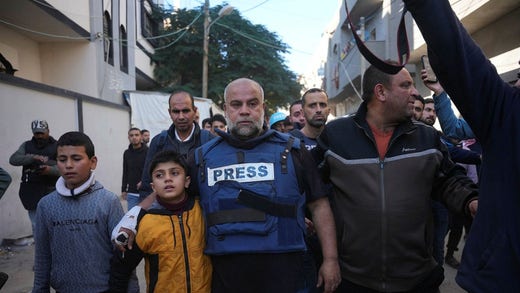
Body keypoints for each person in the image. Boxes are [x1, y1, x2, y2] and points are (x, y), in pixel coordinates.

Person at [116, 78, 341, 293]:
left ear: (262, 107)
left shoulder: (293, 150)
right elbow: (169, 191)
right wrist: (132, 219)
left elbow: (320, 205)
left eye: (252, 104)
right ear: (226, 109)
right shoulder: (202, 157)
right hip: (225, 271)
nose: (244, 110)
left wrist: (330, 260)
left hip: (285, 268)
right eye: (236, 104)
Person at [313, 63, 478, 292]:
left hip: (417, 278)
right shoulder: (336, 135)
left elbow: (449, 179)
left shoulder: (427, 137)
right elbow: (310, 185)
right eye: (406, 85)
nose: (415, 92)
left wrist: (471, 200)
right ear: (381, 92)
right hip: (354, 278)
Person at [32, 131, 137, 293]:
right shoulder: (46, 206)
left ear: (93, 162)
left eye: (76, 159)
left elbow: (123, 255)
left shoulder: (108, 201)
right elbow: (42, 257)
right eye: (62, 160)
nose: (68, 165)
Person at [109, 150, 211, 293]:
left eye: (174, 173)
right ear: (153, 187)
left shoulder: (202, 212)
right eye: (159, 175)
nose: (167, 179)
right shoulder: (145, 223)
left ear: (187, 181)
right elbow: (121, 268)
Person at [289, 87, 330, 293]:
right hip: (303, 234)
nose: (318, 109)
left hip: (336, 232)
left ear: (329, 109)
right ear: (303, 111)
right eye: (312, 105)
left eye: (322, 105)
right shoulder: (290, 144)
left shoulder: (338, 141)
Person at [138, 90, 214, 200]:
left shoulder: (209, 142)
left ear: (195, 111)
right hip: (166, 212)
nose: (181, 116)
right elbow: (146, 184)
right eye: (176, 112)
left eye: (186, 111)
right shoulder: (159, 142)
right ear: (169, 112)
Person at [9, 120, 60, 235]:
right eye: (37, 133)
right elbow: (13, 159)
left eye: (42, 133)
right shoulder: (27, 145)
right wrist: (32, 158)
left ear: (48, 131)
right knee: (37, 226)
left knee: (55, 224)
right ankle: (41, 252)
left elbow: (65, 168)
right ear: (33, 133)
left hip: (52, 190)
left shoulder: (57, 146)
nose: (40, 136)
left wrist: (49, 170)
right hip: (31, 191)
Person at [122, 128, 148, 211]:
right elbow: (125, 171)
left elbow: (152, 170)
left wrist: (144, 181)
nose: (134, 137)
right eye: (131, 135)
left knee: (146, 218)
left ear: (141, 137)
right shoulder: (127, 153)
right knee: (132, 220)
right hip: (132, 192)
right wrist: (123, 189)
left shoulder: (148, 151)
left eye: (137, 135)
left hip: (146, 192)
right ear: (128, 137)